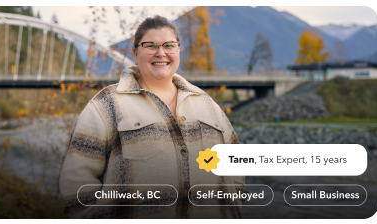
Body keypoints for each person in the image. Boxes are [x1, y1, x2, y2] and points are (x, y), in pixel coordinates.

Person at [59, 15, 244, 219]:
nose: (161, 53)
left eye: (169, 45)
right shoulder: (106, 105)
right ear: (135, 53)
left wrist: (232, 207)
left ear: (178, 50)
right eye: (151, 45)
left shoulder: (207, 104)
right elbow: (75, 181)